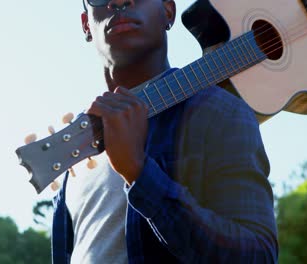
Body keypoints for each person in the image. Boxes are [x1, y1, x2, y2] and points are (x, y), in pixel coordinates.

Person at [43, 0, 278, 263]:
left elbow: (258, 255)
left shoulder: (218, 112)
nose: (119, 0)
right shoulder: (74, 148)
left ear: (168, 11)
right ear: (87, 25)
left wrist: (139, 173)